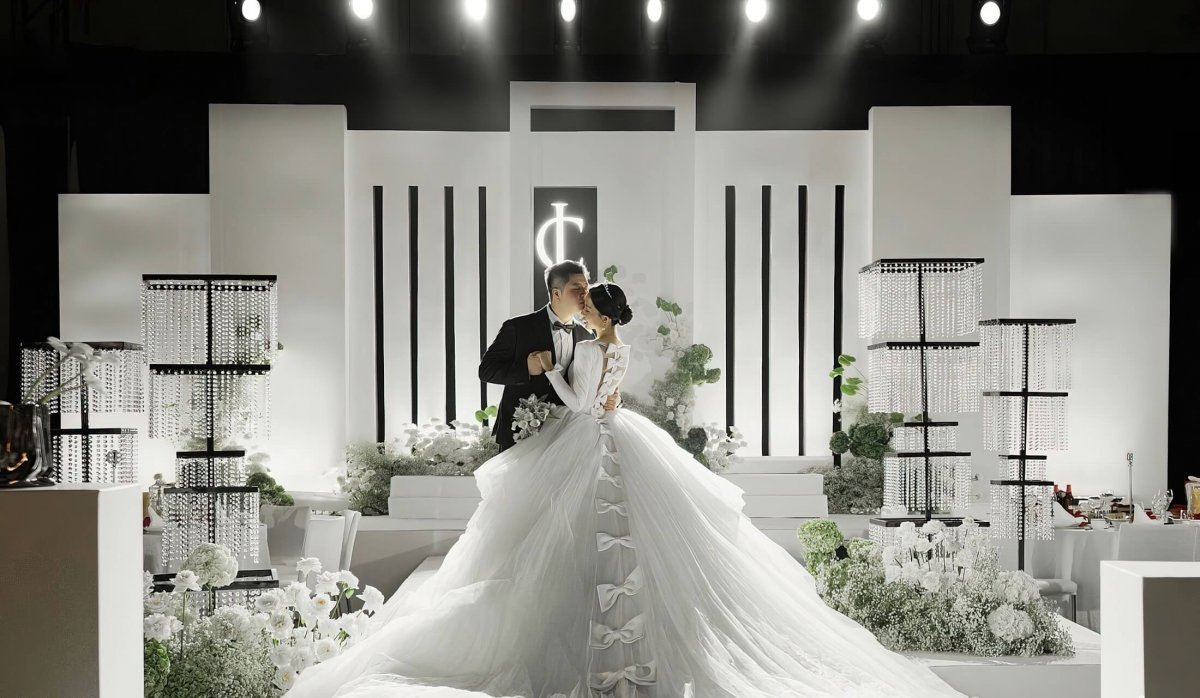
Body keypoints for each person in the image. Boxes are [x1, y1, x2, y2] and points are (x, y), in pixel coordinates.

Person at [289, 282, 963, 698]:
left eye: (587, 303)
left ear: (598, 314)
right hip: (616, 433)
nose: (580, 307)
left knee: (573, 534)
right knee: (627, 535)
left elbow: (579, 404)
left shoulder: (587, 349)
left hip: (589, 437)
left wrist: (549, 374)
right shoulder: (620, 347)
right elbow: (603, 398)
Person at [478, 260, 613, 452]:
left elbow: (593, 383)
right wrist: (526, 368)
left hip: (566, 434)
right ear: (556, 293)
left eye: (586, 287)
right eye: (577, 288)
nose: (585, 294)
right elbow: (486, 371)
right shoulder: (518, 327)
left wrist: (610, 398)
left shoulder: (586, 334)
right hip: (521, 432)